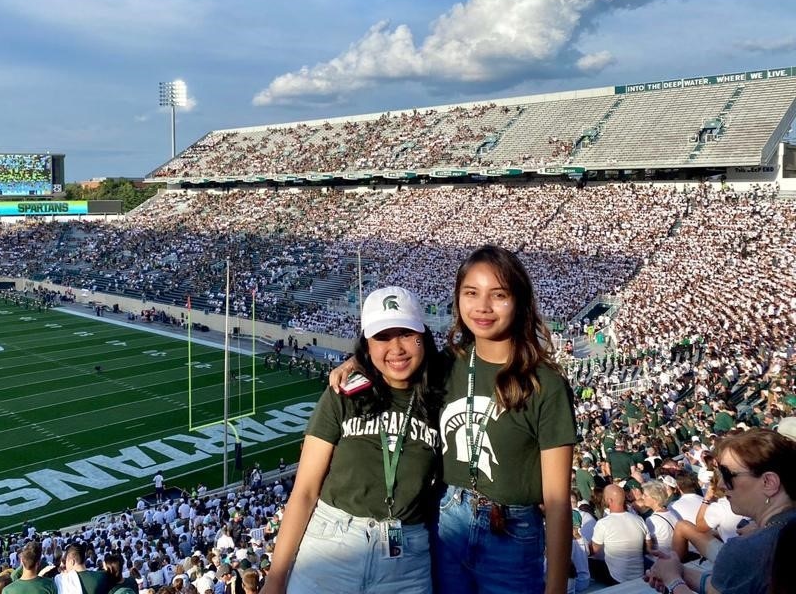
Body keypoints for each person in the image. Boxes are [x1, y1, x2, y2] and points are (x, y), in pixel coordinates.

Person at [329, 244, 577, 594]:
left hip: (512, 530)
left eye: (499, 295)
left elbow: (556, 501)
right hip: (447, 518)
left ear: (518, 300)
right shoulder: (446, 364)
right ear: (458, 299)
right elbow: (395, 359)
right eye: (471, 293)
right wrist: (353, 363)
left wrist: (556, 590)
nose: (483, 307)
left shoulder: (545, 384)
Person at [262, 286, 443, 594]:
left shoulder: (444, 394)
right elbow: (304, 491)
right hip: (332, 546)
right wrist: (276, 578)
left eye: (406, 333)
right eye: (383, 337)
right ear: (367, 344)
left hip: (406, 560)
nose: (396, 347)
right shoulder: (343, 394)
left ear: (423, 336)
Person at [647, 428, 796, 594]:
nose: (720, 485)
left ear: (768, 482)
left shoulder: (747, 548)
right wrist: (678, 571)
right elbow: (723, 587)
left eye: (727, 474)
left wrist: (673, 581)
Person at [589, 484, 649, 584]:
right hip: (639, 574)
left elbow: (593, 551)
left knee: (586, 562)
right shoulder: (639, 520)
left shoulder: (603, 524)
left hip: (616, 578)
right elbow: (649, 546)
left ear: (609, 500)